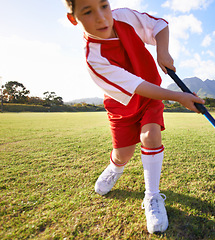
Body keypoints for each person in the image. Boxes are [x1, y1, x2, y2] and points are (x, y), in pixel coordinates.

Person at [63, 0, 205, 234]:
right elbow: (137, 85)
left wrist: (162, 51)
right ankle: (115, 168)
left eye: (104, 6)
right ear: (73, 19)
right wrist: (179, 96)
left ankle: (152, 197)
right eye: (88, 12)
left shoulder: (124, 17)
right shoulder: (94, 58)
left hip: (151, 97)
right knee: (123, 154)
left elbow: (159, 25)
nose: (101, 17)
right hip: (123, 104)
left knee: (151, 135)